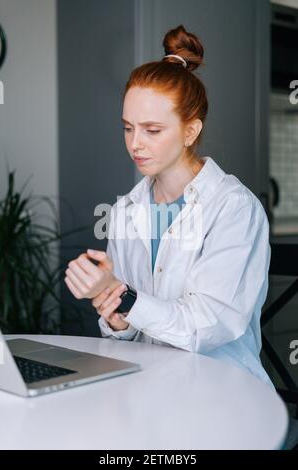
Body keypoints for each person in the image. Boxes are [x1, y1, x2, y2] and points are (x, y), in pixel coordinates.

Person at [65, 25, 273, 387]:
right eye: (128, 128)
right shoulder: (127, 210)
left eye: (152, 130)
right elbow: (126, 333)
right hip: (149, 388)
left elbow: (205, 327)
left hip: (222, 394)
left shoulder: (234, 208)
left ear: (190, 132)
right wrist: (115, 314)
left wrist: (124, 296)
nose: (135, 144)